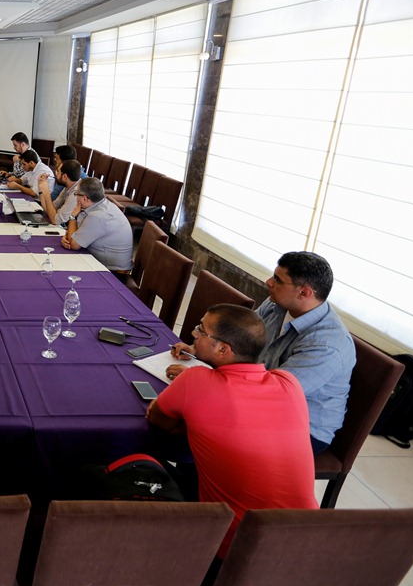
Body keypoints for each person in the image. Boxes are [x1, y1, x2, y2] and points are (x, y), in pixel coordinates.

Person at [148, 304, 318, 559]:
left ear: (223, 349)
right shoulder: (289, 382)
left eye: (201, 330)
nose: (194, 334)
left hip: (232, 549)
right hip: (306, 543)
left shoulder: (194, 380)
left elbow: (157, 419)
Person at [168, 252, 354, 453]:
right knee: (184, 410)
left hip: (299, 428)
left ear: (304, 293)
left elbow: (272, 394)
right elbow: (242, 341)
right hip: (259, 394)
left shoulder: (327, 344)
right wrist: (199, 350)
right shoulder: (277, 304)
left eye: (278, 280)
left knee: (198, 424)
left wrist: (203, 382)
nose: (268, 282)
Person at [60, 177, 133, 273]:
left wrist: (72, 216)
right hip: (111, 264)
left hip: (113, 272)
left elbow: (73, 245)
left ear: (85, 198)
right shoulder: (104, 204)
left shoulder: (97, 217)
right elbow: (77, 234)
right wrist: (70, 236)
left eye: (76, 194)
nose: (76, 197)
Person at [38, 159, 82, 226]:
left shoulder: (76, 193)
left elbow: (55, 221)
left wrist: (46, 192)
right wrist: (41, 189)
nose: (56, 174)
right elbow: (48, 210)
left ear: (64, 176)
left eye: (58, 171)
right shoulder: (68, 186)